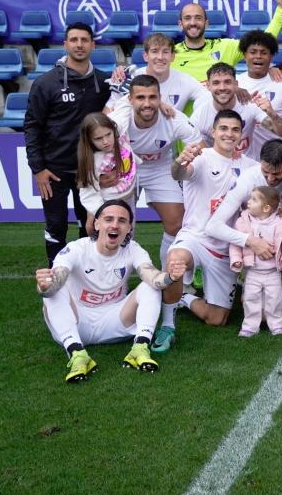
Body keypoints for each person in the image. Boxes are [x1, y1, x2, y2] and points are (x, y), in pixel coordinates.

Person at [37, 200, 177, 382]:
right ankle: (77, 353)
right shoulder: (77, 248)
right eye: (108, 219)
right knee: (56, 291)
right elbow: (55, 280)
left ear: (129, 228)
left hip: (115, 322)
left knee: (149, 287)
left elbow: (152, 276)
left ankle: (140, 347)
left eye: (122, 221)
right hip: (77, 323)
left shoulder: (133, 249)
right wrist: (45, 286)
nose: (114, 225)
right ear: (96, 224)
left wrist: (170, 277)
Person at [160, 111, 254, 347]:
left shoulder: (251, 167)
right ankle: (167, 326)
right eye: (223, 128)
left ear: (241, 134)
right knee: (176, 260)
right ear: (213, 132)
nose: (229, 134)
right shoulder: (201, 156)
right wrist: (180, 161)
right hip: (196, 238)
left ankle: (182, 296)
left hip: (226, 249)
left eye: (234, 129)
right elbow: (179, 173)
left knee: (216, 319)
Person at [24, 22, 111, 264]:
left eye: (84, 40)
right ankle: (56, 278)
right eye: (74, 40)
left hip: (90, 171)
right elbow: (32, 127)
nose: (79, 44)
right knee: (56, 227)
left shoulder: (104, 83)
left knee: (92, 227)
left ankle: (91, 277)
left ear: (93, 45)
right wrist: (38, 169)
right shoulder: (46, 83)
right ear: (65, 44)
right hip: (54, 171)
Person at [181, 139, 282, 328]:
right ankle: (182, 296)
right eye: (266, 172)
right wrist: (251, 241)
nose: (271, 179)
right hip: (242, 250)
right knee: (252, 317)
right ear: (260, 163)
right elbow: (213, 226)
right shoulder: (248, 179)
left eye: (277, 174)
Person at [109, 74, 198, 268]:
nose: (147, 103)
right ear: (130, 99)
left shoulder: (175, 120)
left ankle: (169, 275)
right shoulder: (118, 121)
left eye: (152, 97)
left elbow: (200, 146)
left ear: (160, 98)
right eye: (141, 98)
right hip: (126, 169)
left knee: (177, 223)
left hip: (161, 169)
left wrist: (189, 166)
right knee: (121, 226)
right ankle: (117, 278)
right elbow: (96, 146)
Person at [171, 0, 282, 82]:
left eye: (198, 18)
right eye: (187, 18)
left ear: (206, 23)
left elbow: (263, 41)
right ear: (180, 24)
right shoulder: (171, 55)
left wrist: (281, 10)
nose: (193, 23)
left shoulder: (225, 47)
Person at [229, 186, 282, 337]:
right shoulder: (243, 221)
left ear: (266, 208)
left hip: (272, 271)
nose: (249, 202)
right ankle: (250, 326)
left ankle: (277, 325)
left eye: (254, 200)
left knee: (275, 299)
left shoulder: (281, 223)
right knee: (251, 298)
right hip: (253, 271)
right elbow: (235, 243)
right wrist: (237, 259)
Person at [190, 63, 282, 156]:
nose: (222, 87)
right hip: (215, 168)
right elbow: (199, 154)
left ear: (236, 84)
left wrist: (273, 114)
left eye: (227, 82)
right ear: (208, 86)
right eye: (216, 83)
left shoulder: (249, 105)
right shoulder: (199, 115)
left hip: (247, 167)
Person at [235, 29, 282, 160]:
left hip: (276, 159)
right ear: (244, 55)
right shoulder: (235, 84)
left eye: (264, 53)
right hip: (241, 161)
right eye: (253, 52)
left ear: (271, 57)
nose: (258, 56)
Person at [109, 33, 204, 113]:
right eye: (154, 51)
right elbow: (109, 112)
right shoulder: (130, 78)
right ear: (145, 56)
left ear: (172, 56)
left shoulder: (185, 80)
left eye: (165, 52)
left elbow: (207, 99)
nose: (160, 57)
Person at [76, 112, 137, 227]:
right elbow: (88, 194)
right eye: (98, 138)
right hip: (108, 203)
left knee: (128, 233)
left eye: (108, 134)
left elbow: (127, 102)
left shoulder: (120, 127)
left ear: (113, 129)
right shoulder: (92, 161)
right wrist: (104, 214)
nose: (105, 141)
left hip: (129, 197)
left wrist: (162, 104)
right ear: (89, 140)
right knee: (109, 237)